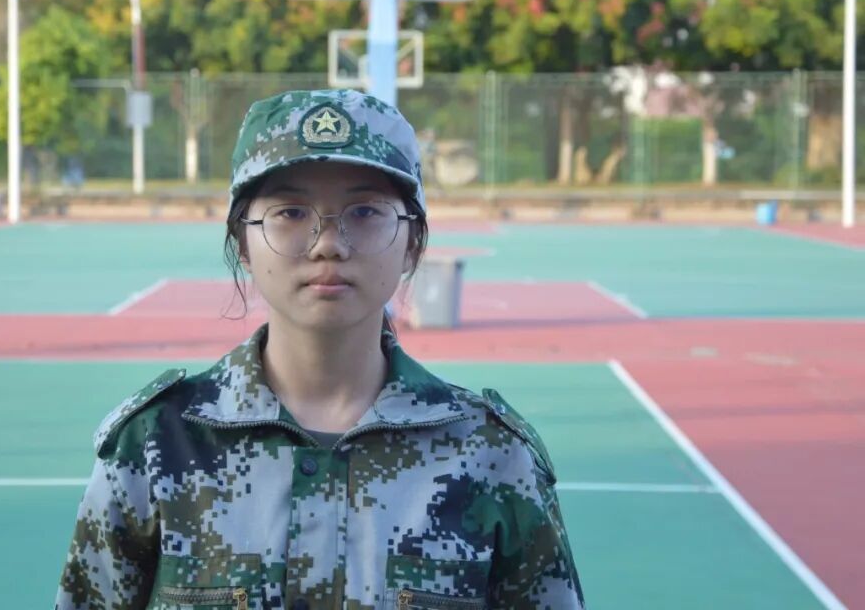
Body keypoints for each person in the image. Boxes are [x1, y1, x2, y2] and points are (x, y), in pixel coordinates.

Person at [55, 89, 584, 610]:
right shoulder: (156, 446)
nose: (328, 243)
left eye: (365, 212)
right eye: (290, 212)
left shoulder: (491, 454)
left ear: (413, 243)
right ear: (242, 242)